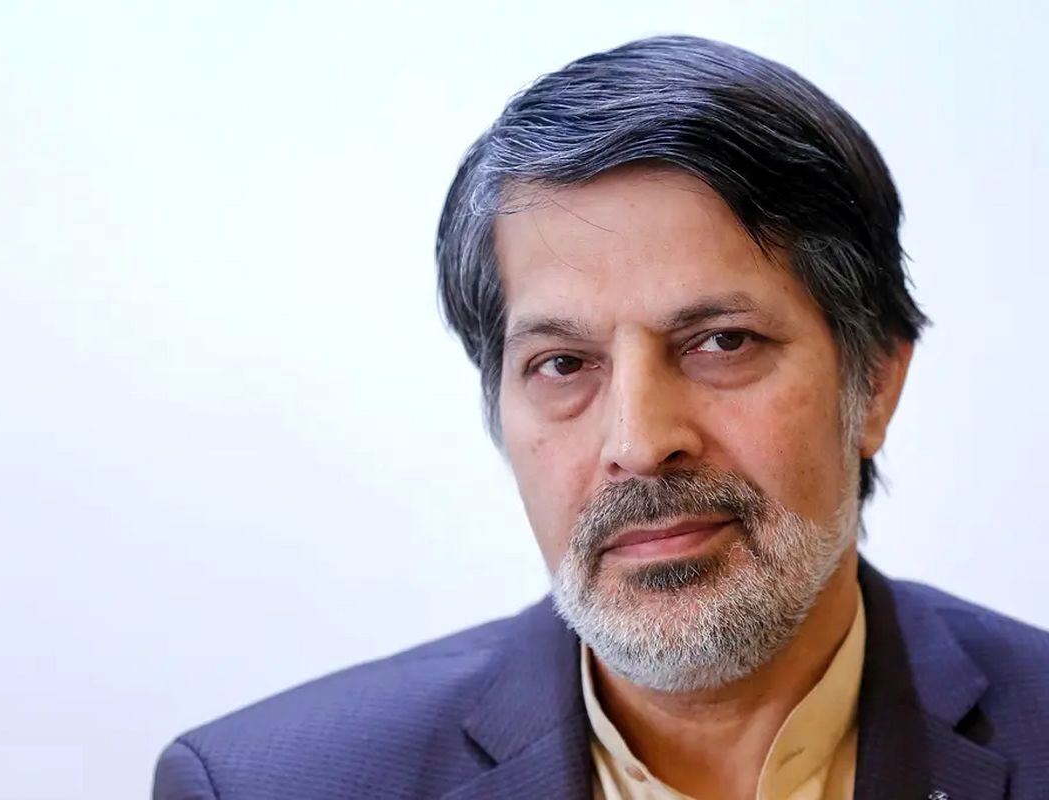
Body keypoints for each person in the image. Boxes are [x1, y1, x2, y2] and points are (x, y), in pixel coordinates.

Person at [153, 35, 1049, 799]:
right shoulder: (265, 785)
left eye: (722, 343)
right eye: (563, 364)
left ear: (877, 384)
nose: (640, 442)